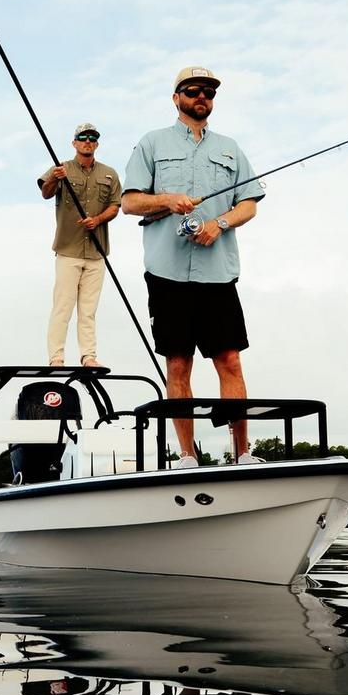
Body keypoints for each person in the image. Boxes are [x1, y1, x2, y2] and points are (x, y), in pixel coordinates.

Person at [121, 67, 265, 466]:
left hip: (218, 273)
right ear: (176, 97)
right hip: (166, 273)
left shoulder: (230, 148)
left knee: (230, 361)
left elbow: (249, 203)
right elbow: (130, 203)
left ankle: (243, 453)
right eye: (193, 90)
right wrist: (167, 200)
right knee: (178, 363)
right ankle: (186, 455)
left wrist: (219, 224)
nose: (201, 96)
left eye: (208, 92)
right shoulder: (151, 143)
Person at [39, 123, 122, 368]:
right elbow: (45, 192)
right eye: (82, 137)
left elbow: (115, 206)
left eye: (92, 138)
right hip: (68, 250)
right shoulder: (61, 168)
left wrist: (97, 220)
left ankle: (89, 356)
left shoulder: (109, 174)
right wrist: (54, 179)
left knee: (88, 310)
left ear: (97, 143)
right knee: (63, 306)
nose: (87, 141)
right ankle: (56, 357)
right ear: (74, 142)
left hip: (97, 252)